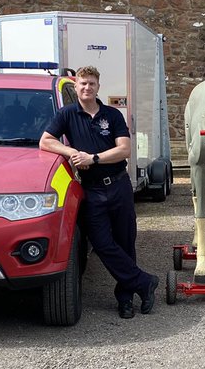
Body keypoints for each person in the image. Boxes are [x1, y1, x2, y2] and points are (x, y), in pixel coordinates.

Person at [40, 65, 157, 319]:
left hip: (118, 185)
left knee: (126, 242)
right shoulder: (67, 114)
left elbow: (124, 149)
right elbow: (46, 140)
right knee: (102, 244)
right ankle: (144, 283)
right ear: (76, 86)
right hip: (91, 191)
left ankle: (126, 300)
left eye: (91, 83)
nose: (86, 88)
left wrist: (92, 158)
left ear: (98, 87)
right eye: (82, 83)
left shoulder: (112, 115)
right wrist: (71, 152)